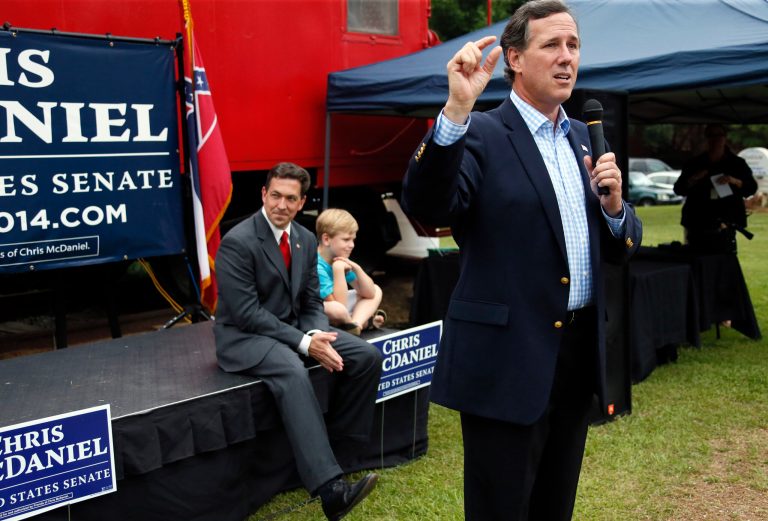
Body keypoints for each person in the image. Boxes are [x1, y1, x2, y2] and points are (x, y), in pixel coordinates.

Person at [401, 1, 642, 520]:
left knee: (555, 504)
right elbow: (428, 206)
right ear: (514, 57)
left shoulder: (585, 136)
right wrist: (454, 115)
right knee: (501, 508)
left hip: (576, 354)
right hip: (506, 359)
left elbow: (623, 248)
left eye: (573, 46)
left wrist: (616, 208)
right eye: (551, 45)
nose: (566, 58)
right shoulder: (482, 133)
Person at [213, 162, 382, 521]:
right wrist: (306, 343)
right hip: (245, 338)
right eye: (275, 195)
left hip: (292, 330)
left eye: (291, 198)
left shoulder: (304, 238)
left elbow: (309, 301)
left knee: (366, 356)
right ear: (263, 194)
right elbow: (246, 313)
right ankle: (331, 491)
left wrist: (317, 333)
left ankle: (341, 454)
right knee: (293, 370)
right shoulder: (237, 241)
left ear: (302, 201)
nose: (281, 205)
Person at [673, 123, 757, 253]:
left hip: (726, 221)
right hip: (697, 221)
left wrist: (733, 181)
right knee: (696, 259)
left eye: (719, 135)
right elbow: (678, 189)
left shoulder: (737, 164)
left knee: (725, 259)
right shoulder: (694, 164)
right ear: (706, 139)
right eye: (711, 135)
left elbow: (751, 188)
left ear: (725, 138)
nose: (715, 139)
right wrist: (694, 178)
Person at [315, 208, 386, 336]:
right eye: (346, 239)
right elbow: (339, 306)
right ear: (326, 239)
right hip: (320, 310)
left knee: (376, 290)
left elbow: (369, 293)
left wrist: (357, 268)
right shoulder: (316, 264)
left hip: (339, 309)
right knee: (338, 310)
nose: (352, 245)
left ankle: (355, 325)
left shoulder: (339, 258)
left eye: (353, 239)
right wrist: (338, 270)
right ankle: (365, 322)